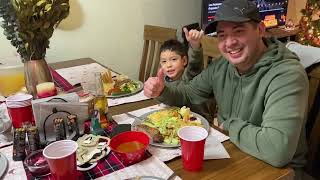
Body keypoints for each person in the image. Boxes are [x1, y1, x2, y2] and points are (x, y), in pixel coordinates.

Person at [144, 0, 308, 179]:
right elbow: (189, 93)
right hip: (232, 152)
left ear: (260, 30)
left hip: (279, 172)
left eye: (239, 31)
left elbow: (277, 150)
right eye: (222, 35)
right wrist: (163, 91)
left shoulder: (287, 74)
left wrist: (229, 125)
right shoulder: (222, 65)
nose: (229, 43)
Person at [159, 29, 216, 122]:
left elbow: (195, 64)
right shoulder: (164, 80)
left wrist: (195, 46)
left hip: (198, 121)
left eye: (173, 59)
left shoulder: (189, 77)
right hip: (175, 121)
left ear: (184, 61)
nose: (168, 65)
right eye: (164, 61)